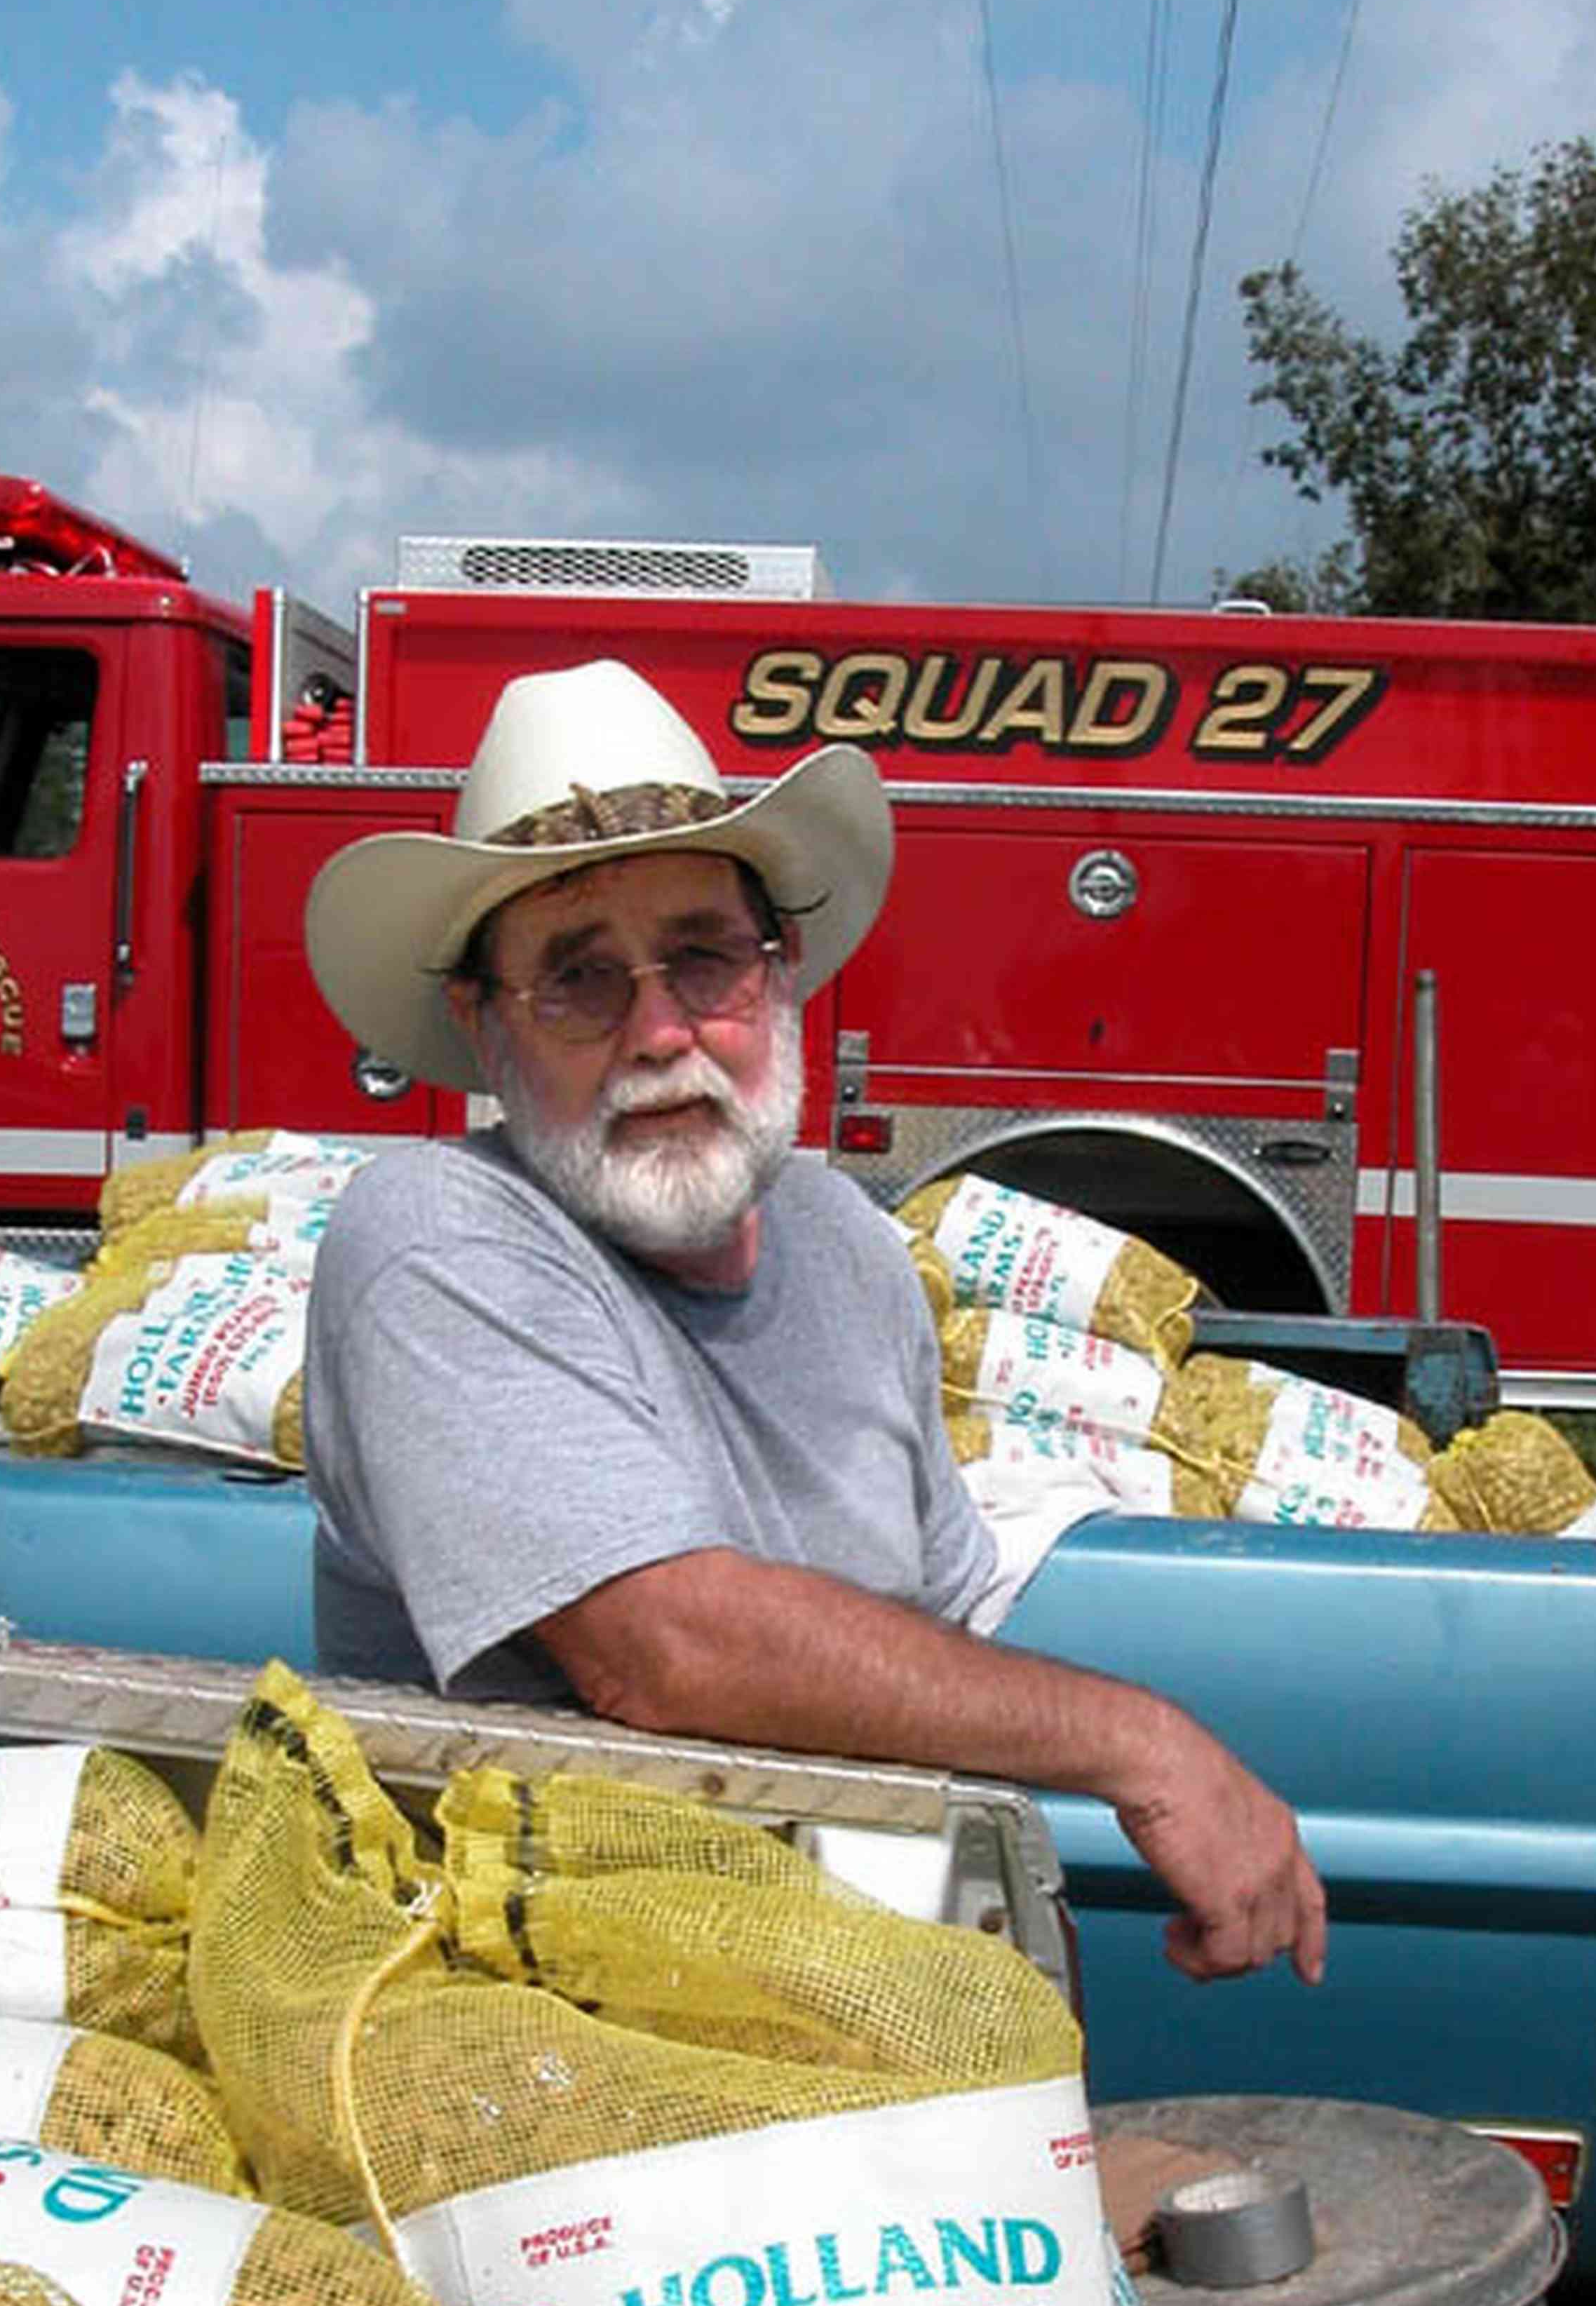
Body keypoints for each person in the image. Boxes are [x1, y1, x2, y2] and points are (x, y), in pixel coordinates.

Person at [299, 657, 1324, 1990]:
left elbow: (938, 1631)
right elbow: (666, 1651)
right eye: (579, 979)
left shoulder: (848, 1247)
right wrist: (1144, 1741)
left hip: (850, 2009)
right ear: (483, 1024)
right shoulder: (436, 1234)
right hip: (554, 2046)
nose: (662, 1032)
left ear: (779, 971)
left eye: (704, 958)